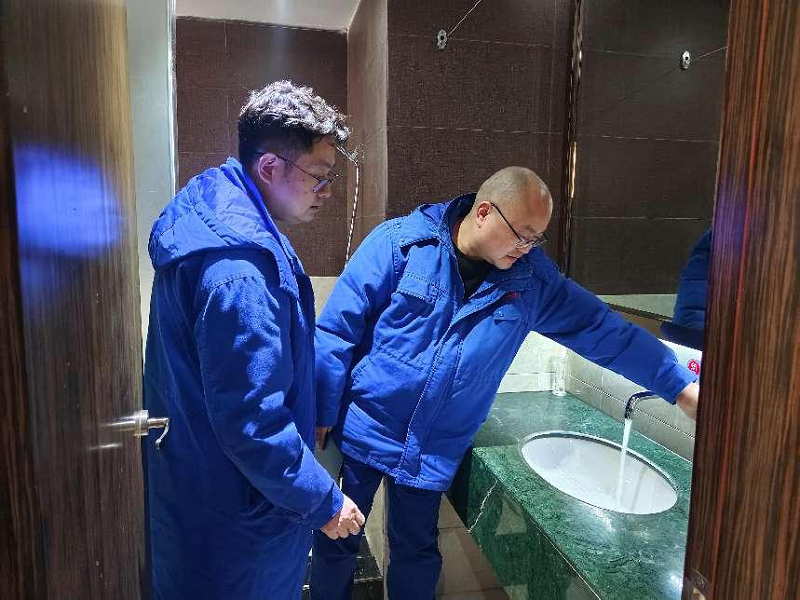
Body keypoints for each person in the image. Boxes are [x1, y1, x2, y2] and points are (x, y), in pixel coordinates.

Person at [310, 166, 699, 599]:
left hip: (432, 447)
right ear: (483, 212)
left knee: (416, 552)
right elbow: (336, 330)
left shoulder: (533, 282)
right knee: (336, 541)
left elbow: (604, 330)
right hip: (363, 426)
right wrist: (321, 409)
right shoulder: (399, 243)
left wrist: (677, 385)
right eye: (521, 235)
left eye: (536, 239)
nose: (526, 248)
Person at [143, 80, 364, 600]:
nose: (327, 192)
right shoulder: (239, 272)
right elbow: (252, 422)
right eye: (320, 176)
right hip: (238, 524)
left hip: (205, 493)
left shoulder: (214, 215)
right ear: (269, 167)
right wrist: (323, 502)